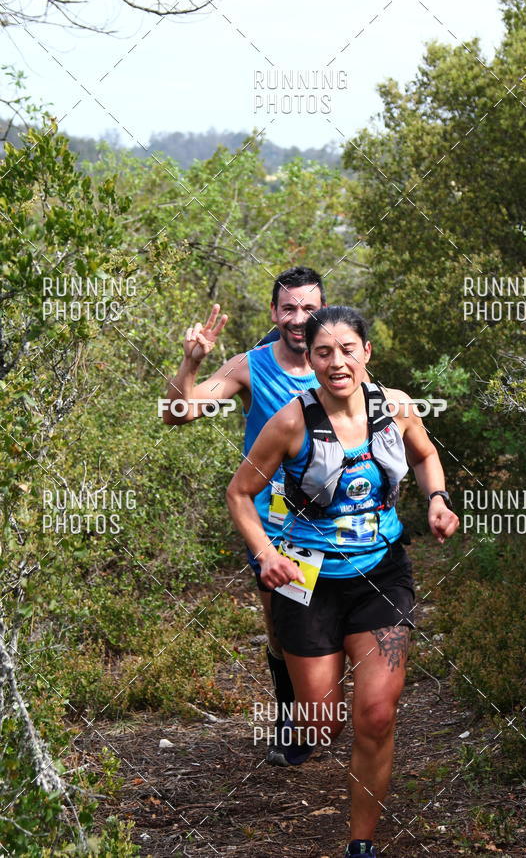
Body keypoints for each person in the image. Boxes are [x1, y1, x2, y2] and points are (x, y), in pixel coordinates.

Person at [226, 306, 459, 858]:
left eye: (348, 350)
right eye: (324, 352)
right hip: (306, 580)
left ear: (366, 353)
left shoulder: (395, 407)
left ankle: (361, 843)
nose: (337, 362)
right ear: (310, 359)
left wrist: (437, 499)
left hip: (381, 574)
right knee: (322, 725)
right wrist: (265, 554)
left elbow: (425, 454)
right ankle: (293, 693)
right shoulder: (291, 422)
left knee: (376, 715)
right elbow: (239, 494)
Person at [162, 266, 326, 765]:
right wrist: (190, 364)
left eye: (309, 308)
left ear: (323, 312)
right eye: (289, 308)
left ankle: (322, 711)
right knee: (283, 626)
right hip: (272, 524)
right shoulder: (249, 366)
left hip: (334, 518)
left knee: (327, 622)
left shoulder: (339, 362)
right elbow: (178, 413)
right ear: (274, 313)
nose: (298, 318)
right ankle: (293, 718)